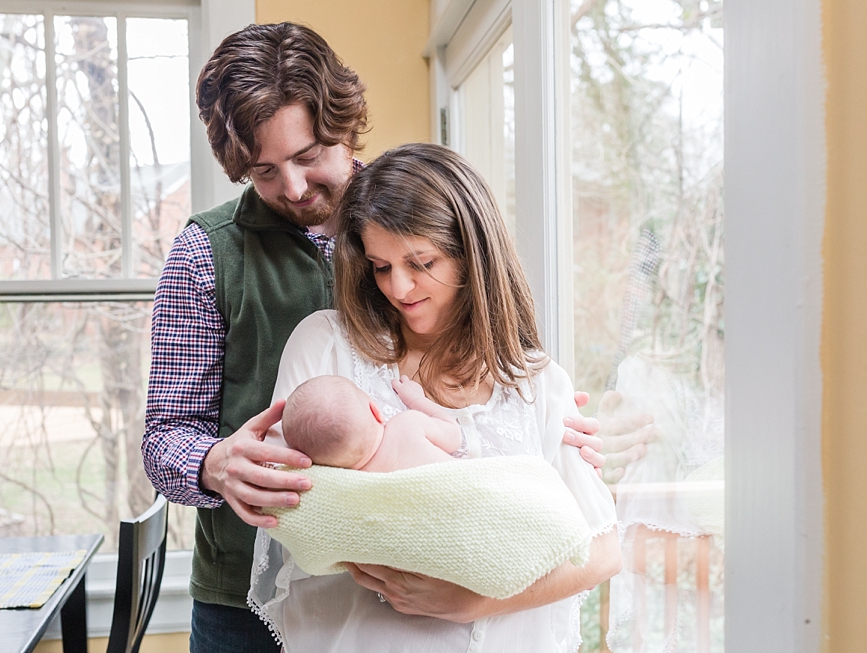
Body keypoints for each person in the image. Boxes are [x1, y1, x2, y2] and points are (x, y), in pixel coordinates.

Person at [140, 22, 610, 652]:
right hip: (243, 587)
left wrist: (556, 437)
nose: (295, 188)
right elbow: (164, 435)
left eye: (308, 157)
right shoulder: (207, 252)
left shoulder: (416, 211)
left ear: (344, 125)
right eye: (265, 171)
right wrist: (213, 464)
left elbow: (505, 373)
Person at [249, 143, 622, 652]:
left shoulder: (535, 383)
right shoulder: (327, 346)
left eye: (420, 262)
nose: (398, 287)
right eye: (380, 266)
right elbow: (285, 503)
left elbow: (601, 550)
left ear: (472, 255)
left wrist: (476, 601)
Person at [281, 374, 461, 471]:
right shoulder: (408, 424)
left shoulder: (357, 483)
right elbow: (454, 436)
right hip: (470, 493)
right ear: (375, 411)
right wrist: (415, 399)